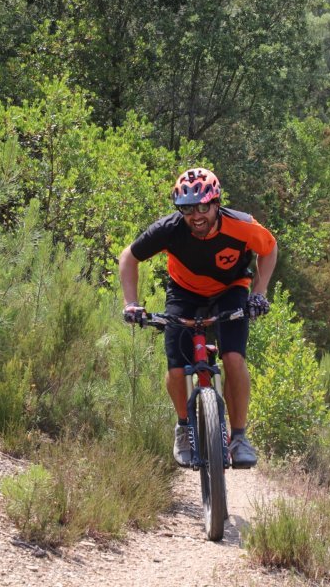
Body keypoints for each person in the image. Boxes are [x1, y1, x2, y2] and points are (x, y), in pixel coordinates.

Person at [118, 167, 278, 468]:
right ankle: (183, 428)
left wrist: (259, 291)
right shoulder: (169, 229)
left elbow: (268, 250)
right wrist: (131, 303)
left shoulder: (241, 225)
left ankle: (240, 436)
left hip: (231, 288)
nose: (196, 215)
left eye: (203, 206)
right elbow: (129, 256)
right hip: (184, 292)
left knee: (233, 357)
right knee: (176, 368)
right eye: (187, 209)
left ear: (217, 203)